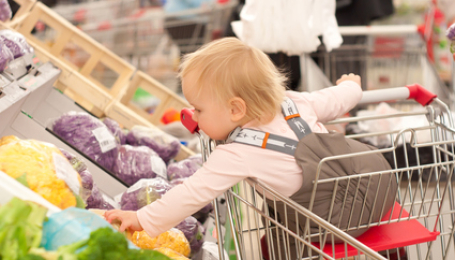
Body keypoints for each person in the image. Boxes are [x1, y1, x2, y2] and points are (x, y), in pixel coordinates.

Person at [105, 38, 391, 256]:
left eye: (199, 109)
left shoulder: (237, 152)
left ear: (235, 109)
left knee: (281, 235)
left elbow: (192, 193)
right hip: (379, 180)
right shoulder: (293, 102)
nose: (193, 115)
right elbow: (334, 99)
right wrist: (352, 87)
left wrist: (141, 218)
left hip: (338, 218)